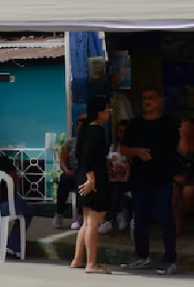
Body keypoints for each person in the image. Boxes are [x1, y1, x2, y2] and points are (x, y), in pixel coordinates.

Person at [119, 87, 179, 275]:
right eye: (144, 98)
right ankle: (141, 256)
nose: (147, 101)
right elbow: (123, 149)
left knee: (165, 219)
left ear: (160, 100)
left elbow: (180, 149)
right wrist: (137, 152)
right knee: (140, 219)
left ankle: (170, 259)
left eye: (151, 98)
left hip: (162, 179)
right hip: (140, 179)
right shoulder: (135, 124)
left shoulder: (170, 123)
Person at [72, 96, 112, 274]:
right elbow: (88, 156)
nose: (109, 114)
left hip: (84, 176)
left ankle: (78, 259)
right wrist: (91, 179)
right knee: (93, 223)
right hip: (93, 179)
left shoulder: (86, 129)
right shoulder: (96, 131)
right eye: (107, 110)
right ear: (100, 112)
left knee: (87, 221)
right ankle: (92, 263)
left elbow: (82, 155)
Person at [53, 114, 88, 230]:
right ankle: (59, 214)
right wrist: (66, 170)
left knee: (82, 182)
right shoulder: (70, 142)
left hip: (83, 173)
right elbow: (62, 161)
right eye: (79, 127)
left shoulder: (89, 143)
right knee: (63, 181)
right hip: (70, 172)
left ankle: (80, 217)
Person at [173, 118, 194, 235]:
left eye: (187, 127)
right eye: (182, 127)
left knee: (187, 191)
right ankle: (178, 227)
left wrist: (187, 178)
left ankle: (187, 217)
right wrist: (175, 177)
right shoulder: (174, 147)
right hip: (177, 180)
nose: (184, 130)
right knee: (173, 191)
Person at [101, 119, 131, 234]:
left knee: (117, 189)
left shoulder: (132, 147)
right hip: (114, 177)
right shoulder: (113, 146)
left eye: (124, 131)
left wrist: (125, 169)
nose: (121, 134)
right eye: (119, 131)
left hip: (128, 178)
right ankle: (117, 215)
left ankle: (111, 218)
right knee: (108, 187)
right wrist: (111, 170)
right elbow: (108, 163)